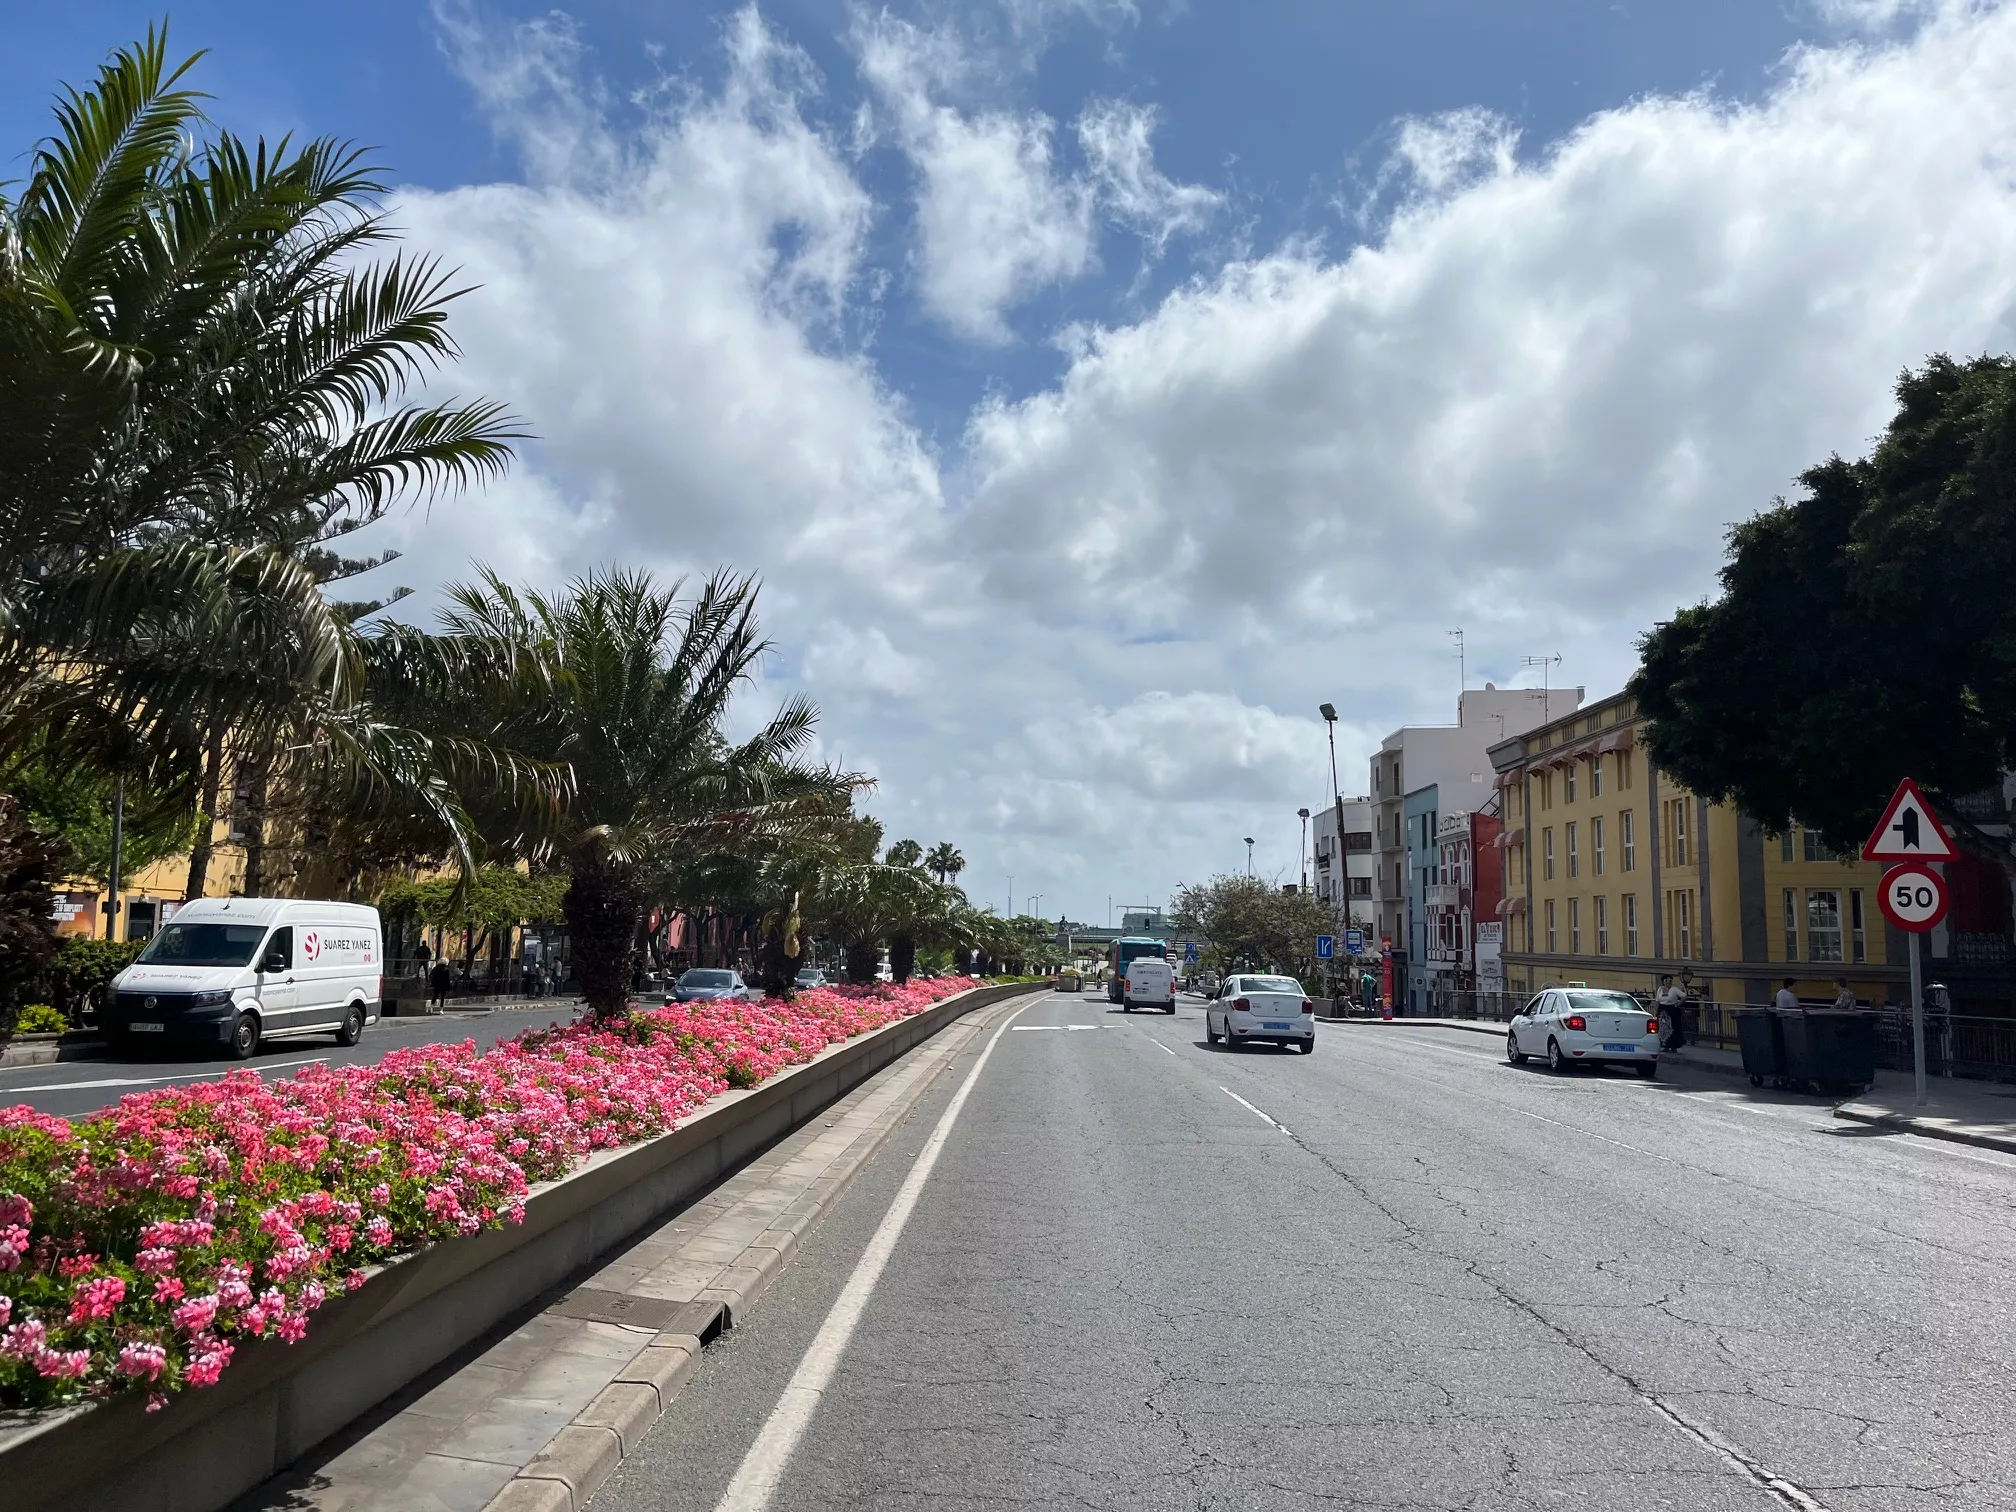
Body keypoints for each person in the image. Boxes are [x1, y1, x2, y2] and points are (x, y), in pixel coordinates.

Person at [1656, 974, 1688, 1051]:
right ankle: (1665, 1045)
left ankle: (1674, 1046)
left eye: (1670, 980)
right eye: (1666, 980)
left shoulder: (1674, 989)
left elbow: (1684, 996)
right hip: (1662, 1010)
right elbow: (1657, 1000)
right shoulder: (1660, 989)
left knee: (1673, 1028)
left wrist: (1678, 1003)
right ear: (1663, 982)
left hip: (1671, 1010)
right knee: (1663, 1029)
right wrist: (1656, 1012)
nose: (1668, 982)